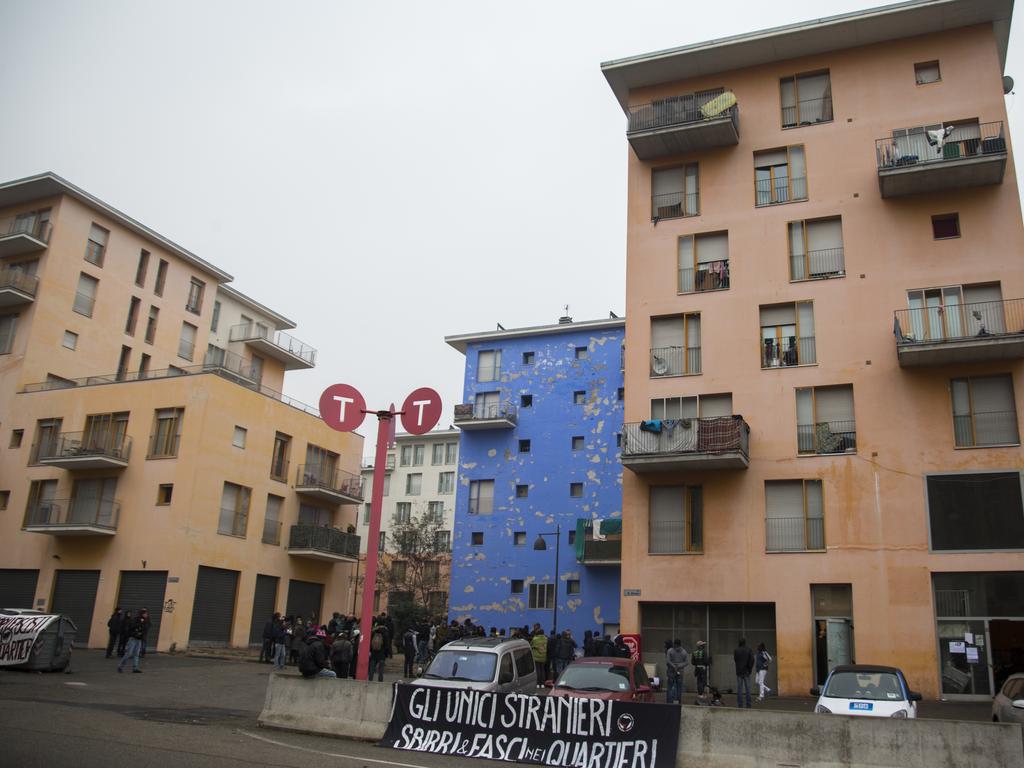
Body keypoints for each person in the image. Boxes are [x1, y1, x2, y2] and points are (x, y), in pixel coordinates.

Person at [666, 638, 689, 704]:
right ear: (680, 644)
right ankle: (678, 702)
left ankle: (669, 702)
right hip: (680, 672)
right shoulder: (684, 652)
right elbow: (687, 662)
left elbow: (668, 661)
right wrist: (679, 666)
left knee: (670, 687)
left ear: (674, 644)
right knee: (679, 688)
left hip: (671, 671)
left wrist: (674, 666)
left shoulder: (670, 650)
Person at [734, 637, 754, 708]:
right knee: (748, 689)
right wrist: (749, 669)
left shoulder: (736, 650)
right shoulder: (749, 650)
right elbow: (752, 660)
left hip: (739, 672)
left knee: (739, 689)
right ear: (745, 642)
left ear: (739, 642)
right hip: (746, 672)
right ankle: (748, 704)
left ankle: (740, 704)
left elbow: (735, 660)